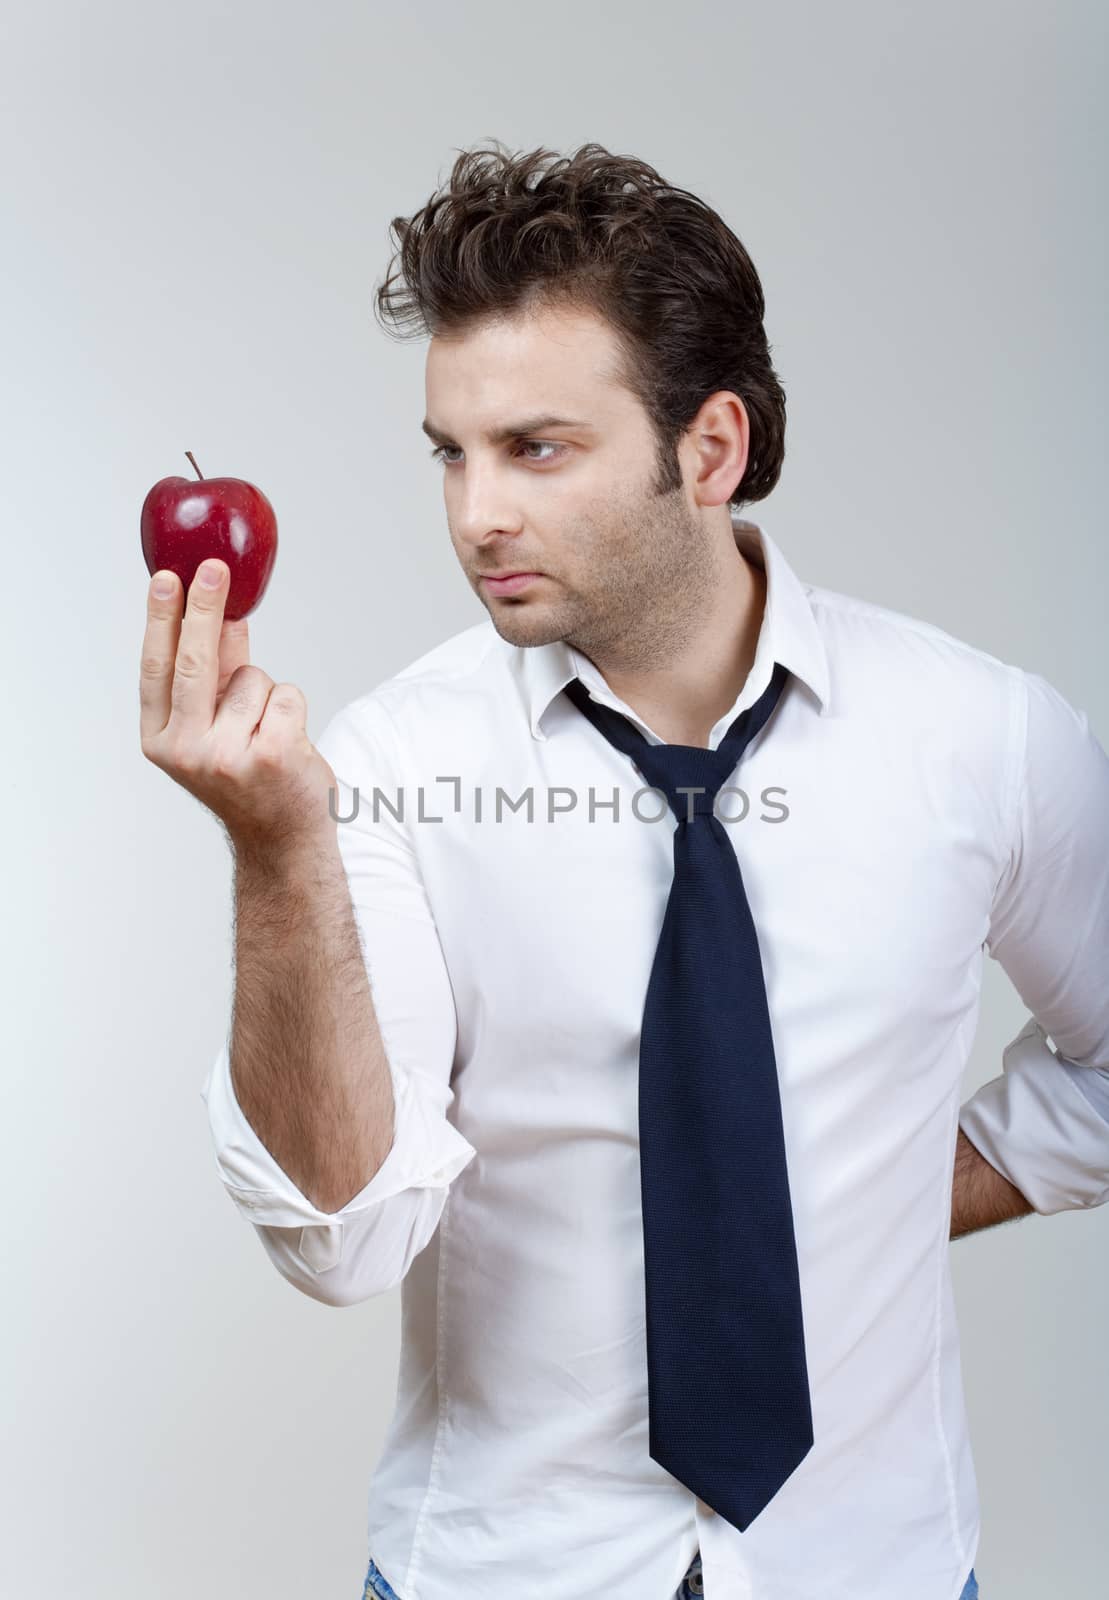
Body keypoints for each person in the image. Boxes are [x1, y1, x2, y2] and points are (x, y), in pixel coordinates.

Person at [138, 141, 1108, 1600]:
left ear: (705, 451)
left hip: (875, 1565)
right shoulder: (387, 765)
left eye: (535, 449)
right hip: (504, 1572)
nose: (475, 516)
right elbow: (340, 1241)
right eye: (450, 454)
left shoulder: (985, 738)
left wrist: (897, 1190)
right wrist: (275, 848)